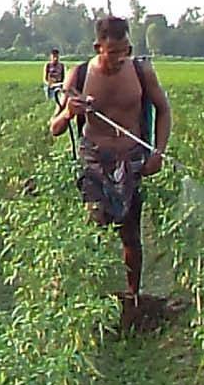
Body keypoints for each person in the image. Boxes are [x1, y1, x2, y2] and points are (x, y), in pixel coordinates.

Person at [48, 16, 172, 296]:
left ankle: (133, 296)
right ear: (98, 48)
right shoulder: (79, 76)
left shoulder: (141, 72)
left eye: (125, 50)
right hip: (93, 160)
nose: (120, 58)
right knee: (95, 223)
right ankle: (91, 296)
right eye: (113, 52)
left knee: (130, 234)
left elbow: (163, 110)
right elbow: (55, 128)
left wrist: (158, 152)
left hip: (131, 158)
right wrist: (69, 112)